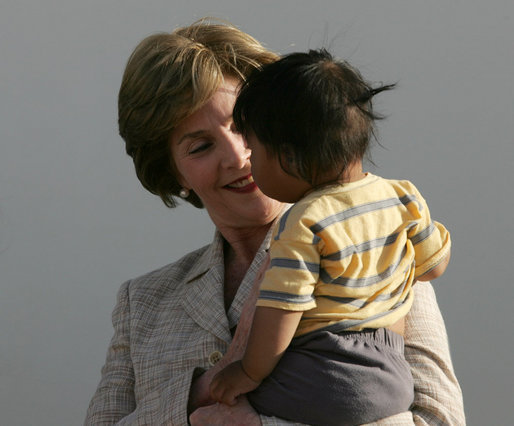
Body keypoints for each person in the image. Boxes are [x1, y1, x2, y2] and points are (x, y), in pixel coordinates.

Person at [84, 18, 465, 425]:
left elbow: (439, 419)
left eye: (244, 127)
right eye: (200, 146)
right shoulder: (141, 304)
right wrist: (203, 390)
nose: (237, 156)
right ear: (175, 174)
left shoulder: (378, 246)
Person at [209, 49, 451, 426]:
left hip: (327, 375)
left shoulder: (305, 221)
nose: (248, 163)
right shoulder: (404, 196)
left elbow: (281, 313)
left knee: (236, 401)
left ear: (288, 157)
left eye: (254, 151)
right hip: (393, 375)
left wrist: (248, 373)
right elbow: (433, 267)